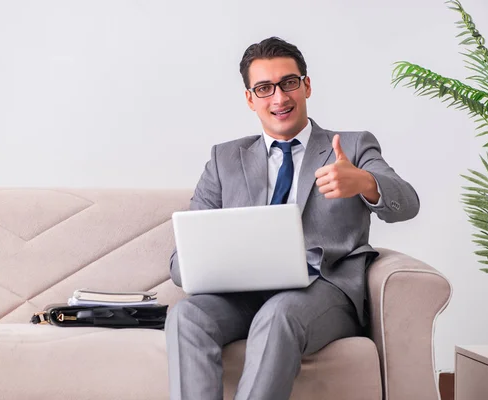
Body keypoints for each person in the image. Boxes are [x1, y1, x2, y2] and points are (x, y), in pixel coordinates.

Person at [165, 36, 419, 400]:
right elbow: (181, 264)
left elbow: (407, 202)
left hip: (322, 292)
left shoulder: (351, 146)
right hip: (241, 295)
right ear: (250, 99)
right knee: (186, 316)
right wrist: (208, 263)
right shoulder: (224, 160)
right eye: (265, 88)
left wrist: (364, 181)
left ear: (307, 85)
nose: (279, 98)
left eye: (289, 83)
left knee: (279, 313)